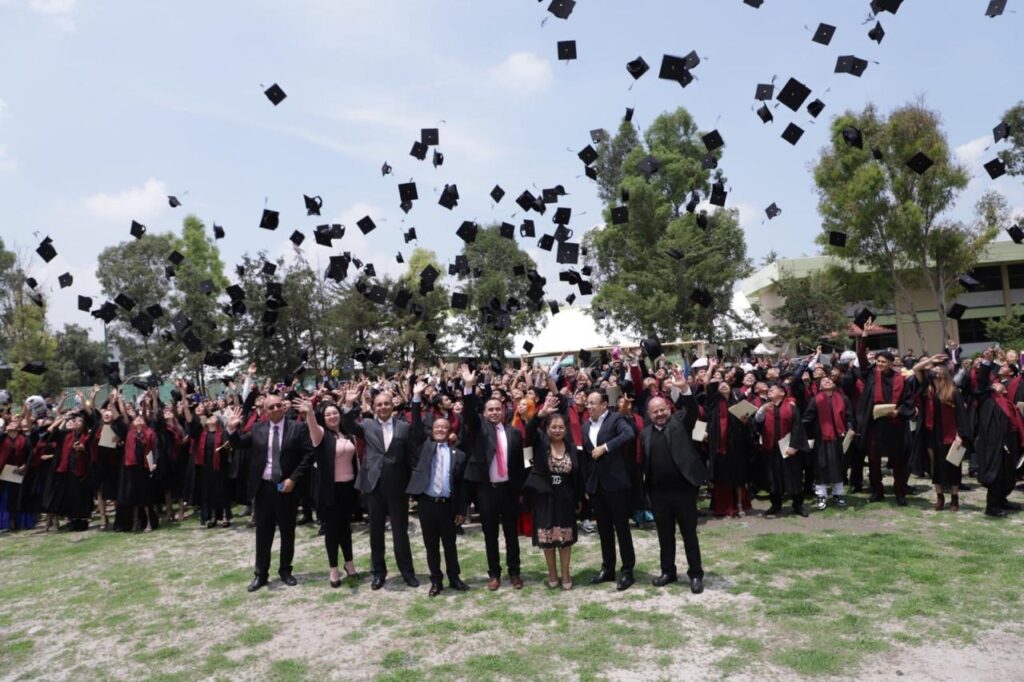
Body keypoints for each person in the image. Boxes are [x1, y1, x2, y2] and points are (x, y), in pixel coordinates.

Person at [226, 394, 313, 592]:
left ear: (284, 406)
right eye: (270, 407)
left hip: (286, 487)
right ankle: (261, 574)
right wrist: (232, 428)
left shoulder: (297, 428)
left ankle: (285, 570)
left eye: (278, 405)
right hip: (263, 488)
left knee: (287, 532)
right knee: (263, 533)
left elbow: (308, 455)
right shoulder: (258, 428)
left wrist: (293, 479)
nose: (275, 409)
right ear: (265, 411)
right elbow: (238, 444)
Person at [341, 383, 418, 590]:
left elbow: (411, 457)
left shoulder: (404, 427)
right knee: (376, 532)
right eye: (379, 404)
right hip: (373, 485)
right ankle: (378, 573)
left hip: (397, 486)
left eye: (386, 403)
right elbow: (348, 425)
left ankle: (407, 572)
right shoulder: (365, 425)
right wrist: (348, 403)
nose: (383, 407)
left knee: (400, 532)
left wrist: (413, 485)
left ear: (393, 405)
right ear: (374, 407)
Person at [461, 365, 527, 591]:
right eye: (490, 409)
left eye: (497, 409)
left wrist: (520, 490)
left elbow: (521, 464)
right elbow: (469, 414)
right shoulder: (480, 428)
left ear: (504, 410)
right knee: (490, 535)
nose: (494, 413)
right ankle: (494, 574)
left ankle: (515, 572)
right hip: (487, 491)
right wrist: (468, 387)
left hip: (508, 490)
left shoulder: (514, 432)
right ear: (485, 412)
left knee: (511, 535)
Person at [640, 383, 708, 594]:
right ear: (649, 415)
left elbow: (693, 409)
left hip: (683, 490)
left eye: (663, 410)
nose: (660, 414)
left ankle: (695, 574)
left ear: (669, 409)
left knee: (689, 534)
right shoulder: (645, 434)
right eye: (655, 411)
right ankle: (668, 571)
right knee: (664, 536)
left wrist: (686, 389)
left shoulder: (680, 422)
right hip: (659, 494)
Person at [407, 381, 470, 597]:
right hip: (427, 504)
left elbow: (461, 486)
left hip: (448, 506)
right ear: (432, 431)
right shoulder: (424, 447)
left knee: (450, 545)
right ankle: (436, 581)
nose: (440, 430)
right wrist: (416, 398)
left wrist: (462, 510)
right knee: (431, 545)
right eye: (437, 427)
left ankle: (454, 577)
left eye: (444, 427)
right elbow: (415, 427)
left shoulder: (458, 455)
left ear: (450, 431)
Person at [296, 398, 359, 588]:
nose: (333, 416)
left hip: (348, 488)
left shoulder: (346, 434)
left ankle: (349, 563)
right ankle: (333, 568)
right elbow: (313, 427)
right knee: (332, 531)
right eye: (328, 414)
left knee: (345, 528)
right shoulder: (321, 434)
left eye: (335, 413)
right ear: (323, 418)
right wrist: (309, 413)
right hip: (329, 491)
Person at [524, 395, 584, 590]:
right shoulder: (540, 442)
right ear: (547, 429)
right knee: (548, 538)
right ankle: (552, 573)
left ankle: (566, 573)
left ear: (565, 429)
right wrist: (540, 415)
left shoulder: (572, 448)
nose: (557, 430)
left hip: (565, 497)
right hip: (544, 497)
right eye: (553, 427)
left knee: (565, 539)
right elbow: (529, 432)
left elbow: (577, 475)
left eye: (560, 427)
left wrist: (578, 498)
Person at [582, 389, 637, 591]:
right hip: (597, 486)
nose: (589, 406)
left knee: (622, 529)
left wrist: (606, 447)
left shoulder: (616, 419)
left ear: (604, 404)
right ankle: (608, 569)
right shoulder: (585, 425)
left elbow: (628, 434)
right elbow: (587, 458)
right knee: (604, 530)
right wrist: (588, 485)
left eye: (593, 402)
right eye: (587, 403)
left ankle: (628, 570)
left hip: (616, 484)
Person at [856, 322, 916, 505]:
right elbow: (861, 356)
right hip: (875, 424)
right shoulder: (871, 375)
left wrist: (898, 412)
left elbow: (909, 401)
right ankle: (877, 491)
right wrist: (865, 335)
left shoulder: (901, 379)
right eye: (878, 361)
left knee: (898, 461)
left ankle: (900, 492)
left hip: (895, 424)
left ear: (891, 363)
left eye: (884, 362)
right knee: (873, 460)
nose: (880, 364)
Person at [912, 355, 971, 511]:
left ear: (944, 374)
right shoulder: (928, 388)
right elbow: (915, 369)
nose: (934, 372)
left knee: (954, 467)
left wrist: (960, 435)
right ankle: (940, 497)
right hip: (933, 432)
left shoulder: (953, 391)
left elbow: (961, 415)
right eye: (933, 370)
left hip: (951, 434)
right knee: (936, 467)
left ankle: (954, 499)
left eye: (938, 370)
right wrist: (930, 359)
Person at [973, 350, 1023, 517]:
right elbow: (981, 381)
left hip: (1010, 440)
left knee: (1009, 474)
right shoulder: (988, 399)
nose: (997, 384)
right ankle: (992, 507)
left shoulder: (1007, 396)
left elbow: (1016, 375)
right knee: (996, 474)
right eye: (993, 383)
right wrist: (987, 361)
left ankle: (1002, 500)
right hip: (995, 442)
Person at [755, 384, 809, 518]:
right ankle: (775, 504)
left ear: (782, 393)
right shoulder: (766, 408)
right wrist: (761, 411)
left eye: (772, 389)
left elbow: (797, 427)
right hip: (771, 448)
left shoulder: (791, 407)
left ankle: (797, 505)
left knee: (793, 476)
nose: (769, 391)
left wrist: (794, 446)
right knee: (774, 477)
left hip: (788, 447)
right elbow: (757, 425)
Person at [801, 376, 855, 510]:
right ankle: (821, 495)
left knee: (839, 466)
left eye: (829, 380)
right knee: (821, 466)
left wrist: (850, 428)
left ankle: (838, 494)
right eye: (823, 381)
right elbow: (807, 417)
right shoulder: (815, 400)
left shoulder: (843, 398)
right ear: (819, 387)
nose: (827, 381)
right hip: (821, 438)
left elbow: (850, 416)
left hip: (840, 437)